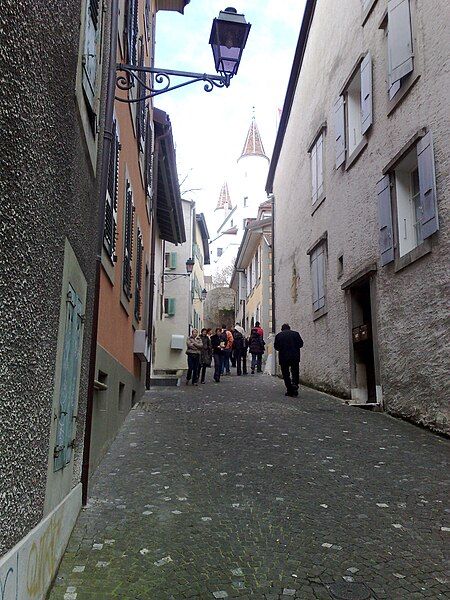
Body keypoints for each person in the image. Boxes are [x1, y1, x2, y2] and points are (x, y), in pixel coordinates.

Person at [274, 323, 304, 397]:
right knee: (295, 372)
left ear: (282, 329)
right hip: (295, 356)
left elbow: (276, 347)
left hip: (283, 357)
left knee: (286, 374)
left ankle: (289, 390)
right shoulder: (296, 334)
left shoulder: (279, 335)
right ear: (289, 328)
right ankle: (295, 385)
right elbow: (301, 344)